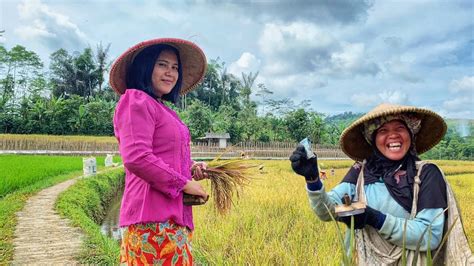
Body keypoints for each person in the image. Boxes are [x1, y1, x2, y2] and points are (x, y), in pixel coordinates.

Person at [290, 103, 473, 265]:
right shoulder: (360, 172)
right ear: (373, 139)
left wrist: (375, 219)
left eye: (400, 128)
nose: (393, 135)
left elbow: (430, 235)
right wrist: (313, 179)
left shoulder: (426, 174)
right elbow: (327, 212)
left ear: (411, 133)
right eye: (383, 130)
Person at [109, 38, 209, 265]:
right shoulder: (136, 101)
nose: (170, 73)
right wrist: (183, 184)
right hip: (151, 220)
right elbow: (136, 157)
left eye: (175, 68)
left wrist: (191, 168)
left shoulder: (162, 109)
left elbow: (166, 155)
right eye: (162, 64)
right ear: (145, 67)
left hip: (170, 219)